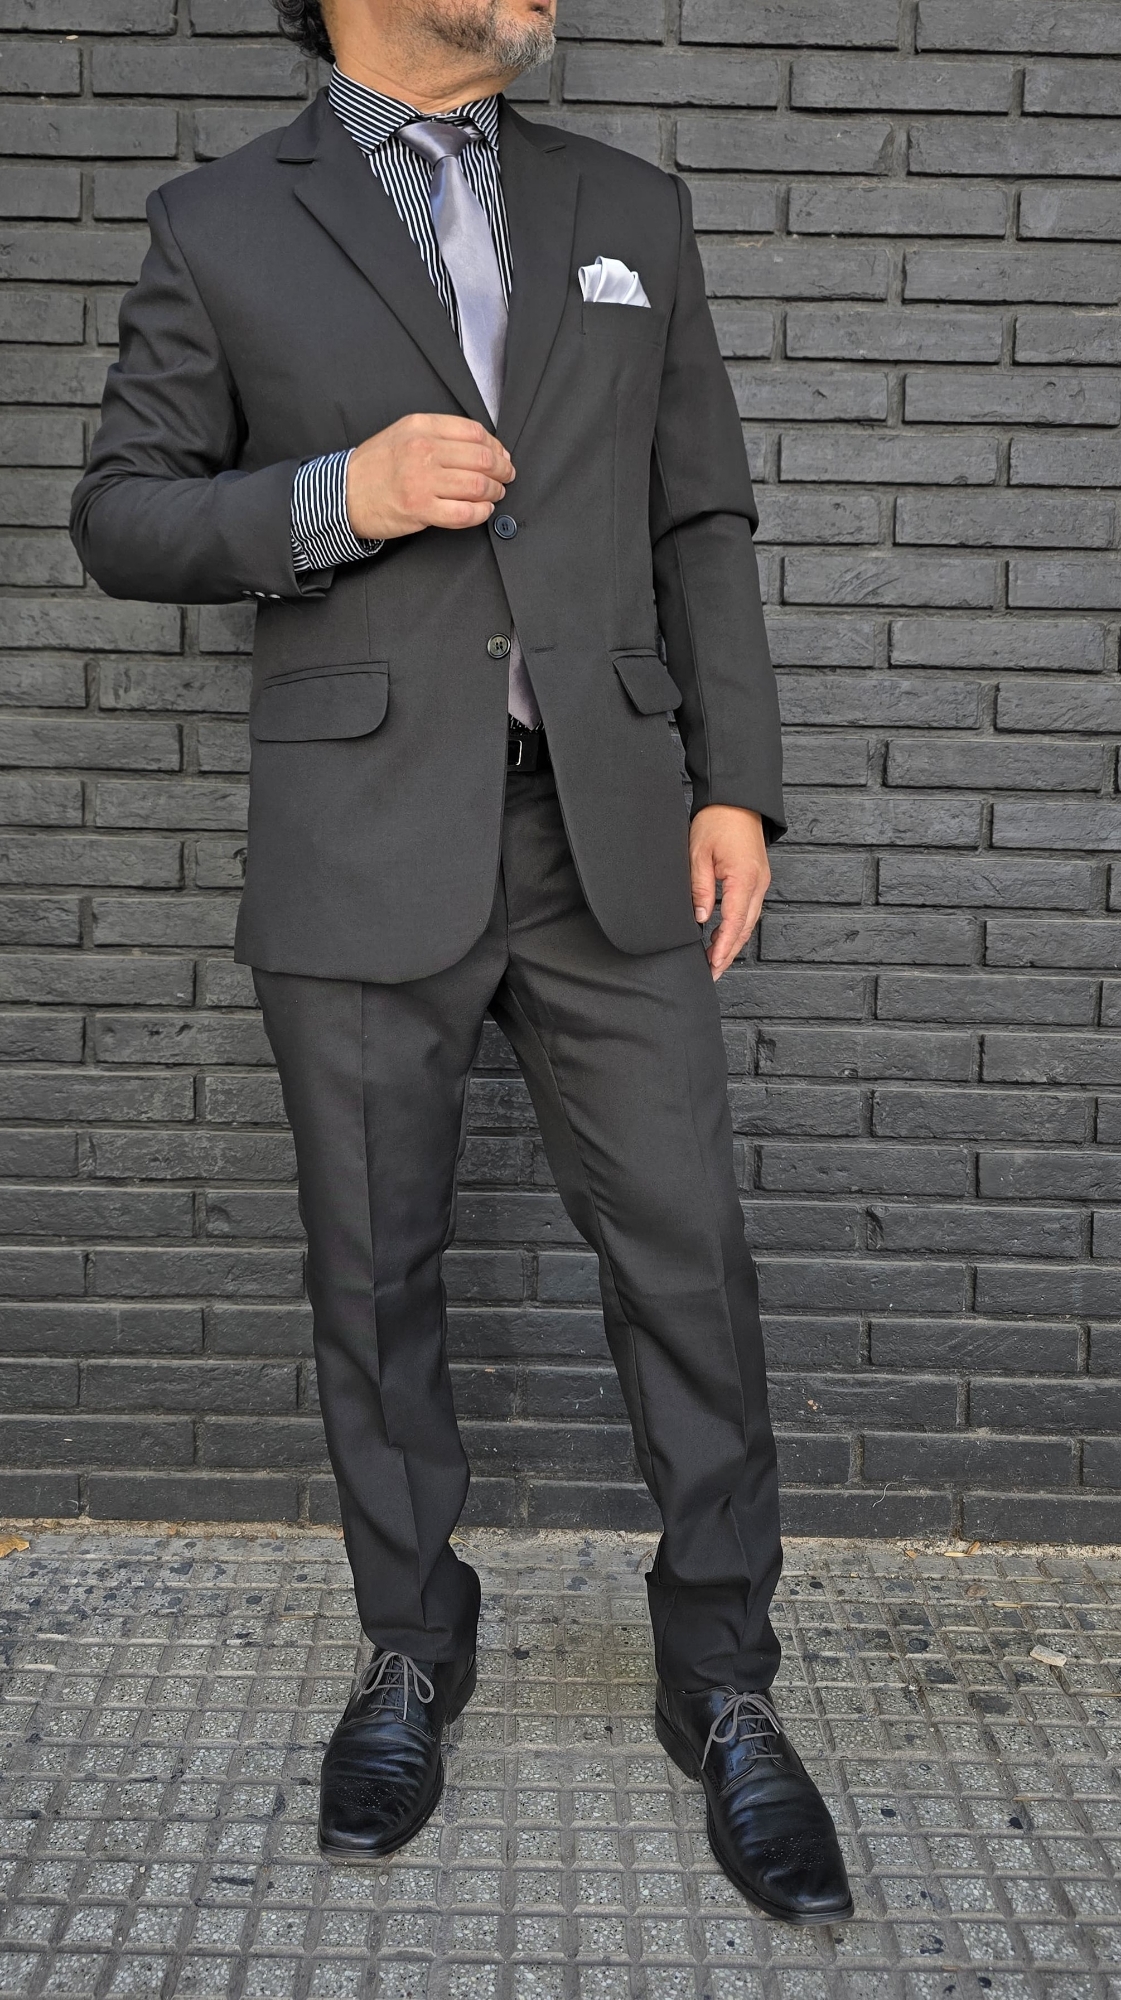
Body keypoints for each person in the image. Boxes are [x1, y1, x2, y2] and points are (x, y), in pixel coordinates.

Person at [70, 0, 852, 1926]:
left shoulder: (627, 207)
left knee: (688, 1260)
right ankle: (411, 1649)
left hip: (608, 836)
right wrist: (335, 497)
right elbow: (122, 513)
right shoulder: (217, 223)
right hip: (359, 842)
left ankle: (723, 1680)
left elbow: (699, 513)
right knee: (374, 1273)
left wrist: (734, 785)